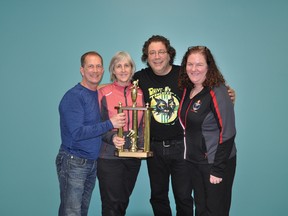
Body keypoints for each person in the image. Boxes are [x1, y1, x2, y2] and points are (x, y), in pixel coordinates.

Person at [133, 35, 236, 216]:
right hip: (157, 148)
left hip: (184, 149)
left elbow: (222, 119)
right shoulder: (141, 78)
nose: (157, 57)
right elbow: (121, 87)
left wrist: (228, 94)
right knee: (160, 197)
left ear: (169, 54)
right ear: (146, 57)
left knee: (185, 197)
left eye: (161, 52)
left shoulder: (184, 76)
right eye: (152, 53)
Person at [55, 51, 126, 216]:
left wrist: (113, 136)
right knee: (71, 212)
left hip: (91, 163)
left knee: (81, 211)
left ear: (103, 70)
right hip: (74, 162)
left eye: (98, 66)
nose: (95, 70)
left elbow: (115, 84)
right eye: (90, 66)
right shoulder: (73, 96)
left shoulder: (97, 94)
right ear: (82, 70)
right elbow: (77, 132)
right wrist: (111, 124)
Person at [178, 46, 237, 216]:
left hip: (215, 162)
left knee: (215, 211)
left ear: (208, 66)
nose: (194, 69)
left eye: (199, 64)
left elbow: (228, 132)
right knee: (201, 210)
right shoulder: (188, 90)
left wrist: (218, 169)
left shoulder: (217, 90)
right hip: (195, 163)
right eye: (190, 64)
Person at [97, 51, 145, 216]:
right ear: (113, 70)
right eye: (119, 66)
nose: (123, 70)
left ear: (132, 69)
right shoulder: (103, 92)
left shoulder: (140, 92)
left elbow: (143, 124)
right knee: (111, 205)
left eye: (127, 65)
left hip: (133, 157)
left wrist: (140, 144)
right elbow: (96, 125)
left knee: (122, 203)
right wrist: (112, 137)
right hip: (109, 156)